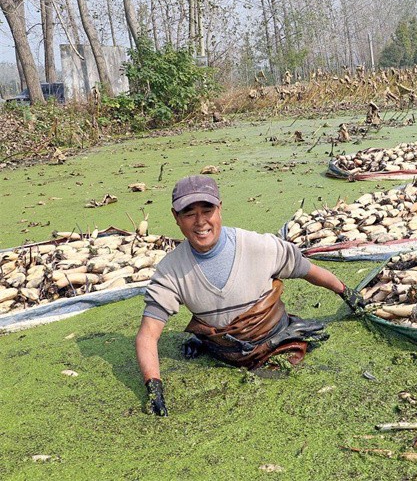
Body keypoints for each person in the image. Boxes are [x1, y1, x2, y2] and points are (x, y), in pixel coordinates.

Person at [135, 175, 363, 416]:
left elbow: (308, 270)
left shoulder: (259, 246)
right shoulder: (171, 271)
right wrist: (154, 386)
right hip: (222, 355)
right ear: (176, 218)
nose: (200, 222)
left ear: (220, 209)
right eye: (189, 213)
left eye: (207, 210)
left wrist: (345, 292)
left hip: (279, 345)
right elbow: (147, 335)